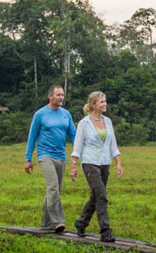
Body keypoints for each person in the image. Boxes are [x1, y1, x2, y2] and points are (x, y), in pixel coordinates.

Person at [69, 91, 123, 242]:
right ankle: (105, 231)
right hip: (90, 162)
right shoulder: (84, 123)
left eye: (105, 101)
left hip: (105, 163)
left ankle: (81, 223)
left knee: (95, 196)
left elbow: (113, 145)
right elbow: (77, 146)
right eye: (102, 102)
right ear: (93, 105)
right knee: (101, 196)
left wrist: (118, 162)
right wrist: (73, 166)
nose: (105, 104)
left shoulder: (108, 122)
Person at [24, 85, 75, 232]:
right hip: (45, 155)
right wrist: (28, 159)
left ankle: (45, 224)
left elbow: (74, 134)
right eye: (58, 95)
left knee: (55, 191)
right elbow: (32, 137)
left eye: (63, 95)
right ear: (50, 96)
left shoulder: (66, 114)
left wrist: (79, 152)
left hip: (61, 156)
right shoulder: (40, 114)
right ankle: (58, 221)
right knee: (52, 187)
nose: (61, 98)